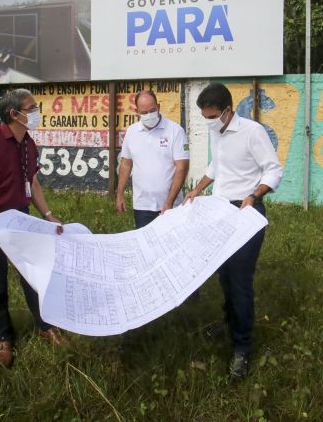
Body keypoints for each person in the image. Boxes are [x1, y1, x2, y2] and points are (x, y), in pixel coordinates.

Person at [0, 88, 66, 369]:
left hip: (22, 218)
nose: (36, 112)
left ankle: (44, 326)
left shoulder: (29, 143)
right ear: (14, 114)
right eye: (31, 108)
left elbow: (34, 182)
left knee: (33, 276)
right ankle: (4, 337)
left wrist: (48, 214)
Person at [183, 82, 283, 382]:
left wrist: (254, 195)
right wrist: (197, 189)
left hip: (246, 210)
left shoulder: (252, 132)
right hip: (220, 212)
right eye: (205, 117)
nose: (208, 122)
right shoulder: (218, 130)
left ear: (228, 110)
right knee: (223, 274)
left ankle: (242, 347)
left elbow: (273, 169)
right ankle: (229, 322)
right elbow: (217, 166)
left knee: (240, 280)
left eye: (212, 116)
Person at [116, 90, 190, 228]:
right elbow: (126, 164)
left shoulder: (175, 131)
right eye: (144, 113)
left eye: (152, 110)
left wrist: (169, 202)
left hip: (171, 205)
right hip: (142, 206)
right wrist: (119, 194)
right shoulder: (132, 132)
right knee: (146, 246)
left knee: (171, 246)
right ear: (136, 111)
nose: (149, 115)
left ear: (159, 107)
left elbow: (182, 167)